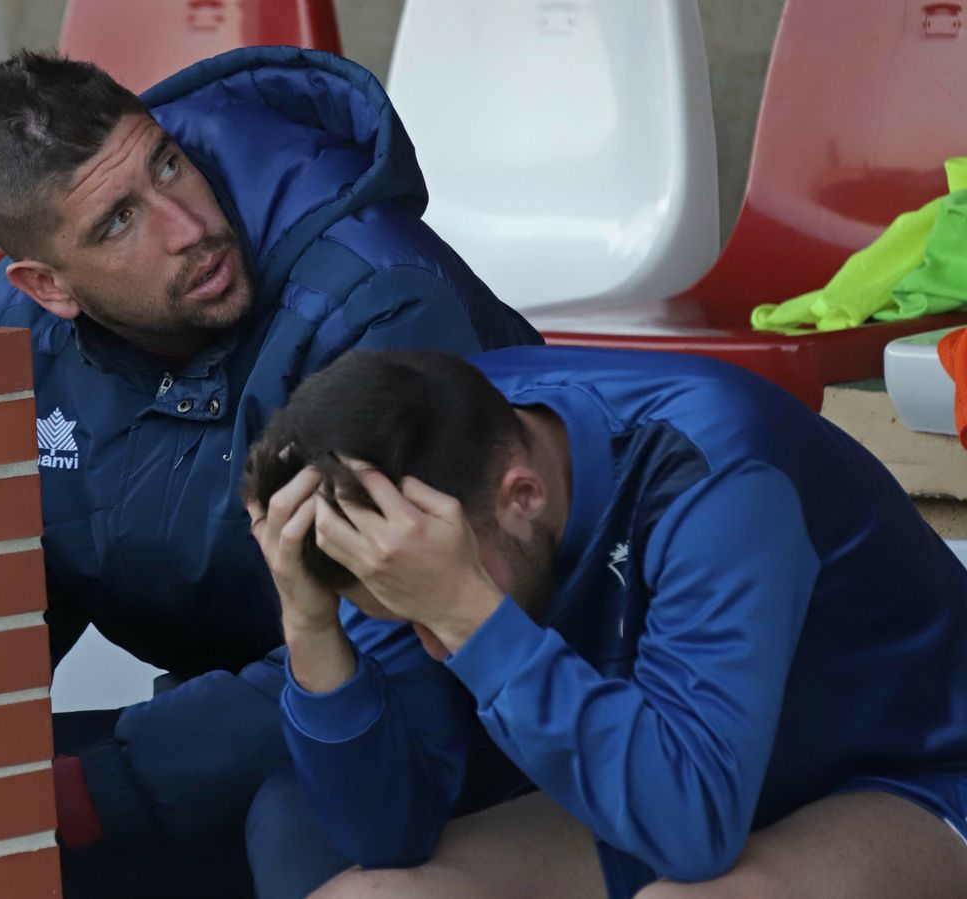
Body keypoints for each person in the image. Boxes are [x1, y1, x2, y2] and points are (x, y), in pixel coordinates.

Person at [0, 48, 539, 894]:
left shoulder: (379, 297)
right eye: (118, 221)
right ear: (48, 286)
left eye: (169, 164)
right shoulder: (10, 344)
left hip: (473, 699)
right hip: (247, 705)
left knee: (294, 828)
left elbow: (392, 636)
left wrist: (104, 786)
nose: (187, 226)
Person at [242, 346, 967, 898]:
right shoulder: (409, 509)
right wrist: (311, 629)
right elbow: (390, 834)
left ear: (522, 494)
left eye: (439, 604)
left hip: (906, 773)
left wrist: (469, 615)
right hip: (662, 768)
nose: (433, 646)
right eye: (407, 614)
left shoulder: (711, 471)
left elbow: (695, 830)